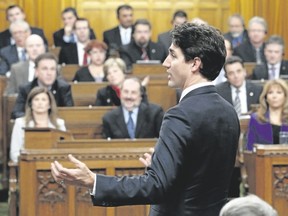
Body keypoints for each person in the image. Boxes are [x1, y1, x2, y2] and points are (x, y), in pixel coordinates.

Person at [51, 23, 240, 216]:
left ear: (195, 63)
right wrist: (166, 165)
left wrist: (93, 181)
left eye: (173, 55)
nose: (166, 62)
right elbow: (203, 175)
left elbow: (155, 186)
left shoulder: (180, 115)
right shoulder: (229, 111)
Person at [10, 86, 66, 163]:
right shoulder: (20, 123)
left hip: (54, 166)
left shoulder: (59, 124)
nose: (40, 103)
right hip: (27, 165)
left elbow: (64, 151)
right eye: (36, 99)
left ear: (49, 104)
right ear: (31, 104)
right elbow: (14, 153)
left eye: (43, 100)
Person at [11, 52, 74, 119]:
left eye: (52, 69)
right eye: (45, 69)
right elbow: (16, 113)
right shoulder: (26, 89)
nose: (49, 73)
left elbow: (70, 113)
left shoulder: (63, 88)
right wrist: (37, 119)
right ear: (36, 71)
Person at [246, 79, 288, 151]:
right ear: (265, 97)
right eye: (270, 92)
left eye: (279, 92)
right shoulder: (256, 119)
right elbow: (250, 148)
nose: (274, 96)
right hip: (262, 161)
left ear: (285, 96)